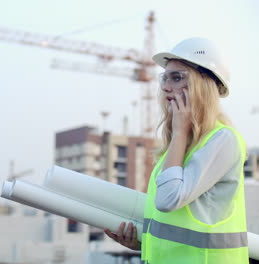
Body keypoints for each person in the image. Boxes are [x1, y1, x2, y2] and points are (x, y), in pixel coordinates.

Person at [104, 37, 249, 263]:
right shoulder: (180, 146)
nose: (166, 87)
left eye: (177, 77)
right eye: (165, 78)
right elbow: (174, 221)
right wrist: (143, 242)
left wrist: (180, 132)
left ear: (205, 85)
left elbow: (168, 199)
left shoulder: (223, 140)